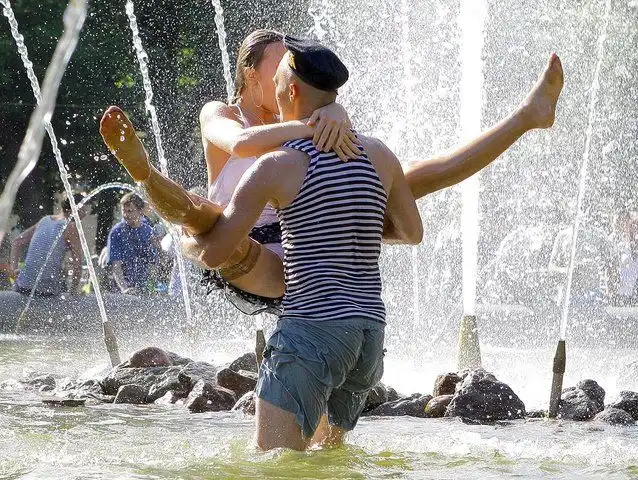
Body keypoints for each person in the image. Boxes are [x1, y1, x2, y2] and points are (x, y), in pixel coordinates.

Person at [100, 30, 564, 311]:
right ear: (251, 73)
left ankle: (526, 117)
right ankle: (144, 172)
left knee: (402, 176)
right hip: (249, 255)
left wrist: (333, 113)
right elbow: (241, 143)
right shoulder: (222, 113)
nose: (290, 72)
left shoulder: (307, 115)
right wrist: (317, 121)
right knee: (204, 216)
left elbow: (355, 166)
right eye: (282, 63)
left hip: (309, 249)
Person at [10, 193, 86, 296]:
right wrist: (73, 292)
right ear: (77, 209)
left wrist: (13, 270)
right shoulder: (71, 227)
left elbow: (17, 242)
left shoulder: (45, 220)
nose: (85, 214)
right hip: (45, 289)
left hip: (22, 285)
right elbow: (77, 264)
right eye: (84, 210)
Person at [106, 193, 159, 295]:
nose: (126, 215)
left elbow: (155, 262)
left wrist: (152, 285)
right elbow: (116, 265)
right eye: (123, 211)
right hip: (121, 289)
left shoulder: (148, 231)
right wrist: (124, 288)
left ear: (140, 211)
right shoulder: (117, 232)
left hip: (145, 287)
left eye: (129, 211)